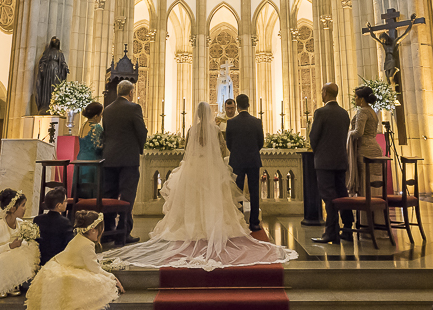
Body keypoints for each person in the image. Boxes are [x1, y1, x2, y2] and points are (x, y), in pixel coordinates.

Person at [99, 102, 297, 269]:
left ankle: (193, 226)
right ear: (210, 114)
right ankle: (211, 225)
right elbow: (221, 150)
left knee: (193, 199)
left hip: (194, 169)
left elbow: (187, 149)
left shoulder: (192, 130)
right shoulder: (215, 130)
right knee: (213, 197)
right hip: (211, 169)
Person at [25, 211, 125, 310]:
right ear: (93, 230)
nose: (101, 232)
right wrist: (112, 277)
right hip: (63, 271)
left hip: (53, 268)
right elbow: (94, 269)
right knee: (97, 283)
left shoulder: (78, 238)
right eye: (100, 229)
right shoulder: (88, 244)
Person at [100, 80, 147, 245]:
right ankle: (123, 234)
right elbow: (141, 131)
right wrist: (139, 149)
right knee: (127, 197)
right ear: (131, 92)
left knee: (109, 195)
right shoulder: (134, 108)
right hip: (128, 159)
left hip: (109, 158)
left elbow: (106, 131)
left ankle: (108, 232)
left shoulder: (107, 110)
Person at [310, 83, 353, 244]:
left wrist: (319, 152)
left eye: (322, 91)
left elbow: (313, 137)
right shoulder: (344, 113)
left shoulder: (321, 112)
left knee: (329, 197)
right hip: (340, 160)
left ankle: (331, 233)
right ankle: (347, 228)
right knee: (343, 195)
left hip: (325, 162)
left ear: (326, 93)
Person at [225, 94, 264, 231]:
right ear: (248, 104)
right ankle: (254, 222)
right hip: (253, 161)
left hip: (237, 161)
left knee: (238, 192)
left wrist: (237, 153)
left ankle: (239, 221)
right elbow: (261, 142)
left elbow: (228, 144)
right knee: (254, 192)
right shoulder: (257, 122)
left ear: (237, 106)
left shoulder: (231, 123)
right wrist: (252, 152)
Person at [33, 187, 73, 265]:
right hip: (57, 260)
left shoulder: (37, 219)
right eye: (65, 201)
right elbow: (69, 244)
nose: (66, 203)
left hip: (41, 259)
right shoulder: (65, 222)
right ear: (58, 205)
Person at [75, 102, 104, 199]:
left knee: (80, 187)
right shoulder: (96, 127)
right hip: (92, 161)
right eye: (101, 115)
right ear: (96, 116)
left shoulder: (83, 125)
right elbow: (97, 147)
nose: (101, 117)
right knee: (91, 188)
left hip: (80, 159)